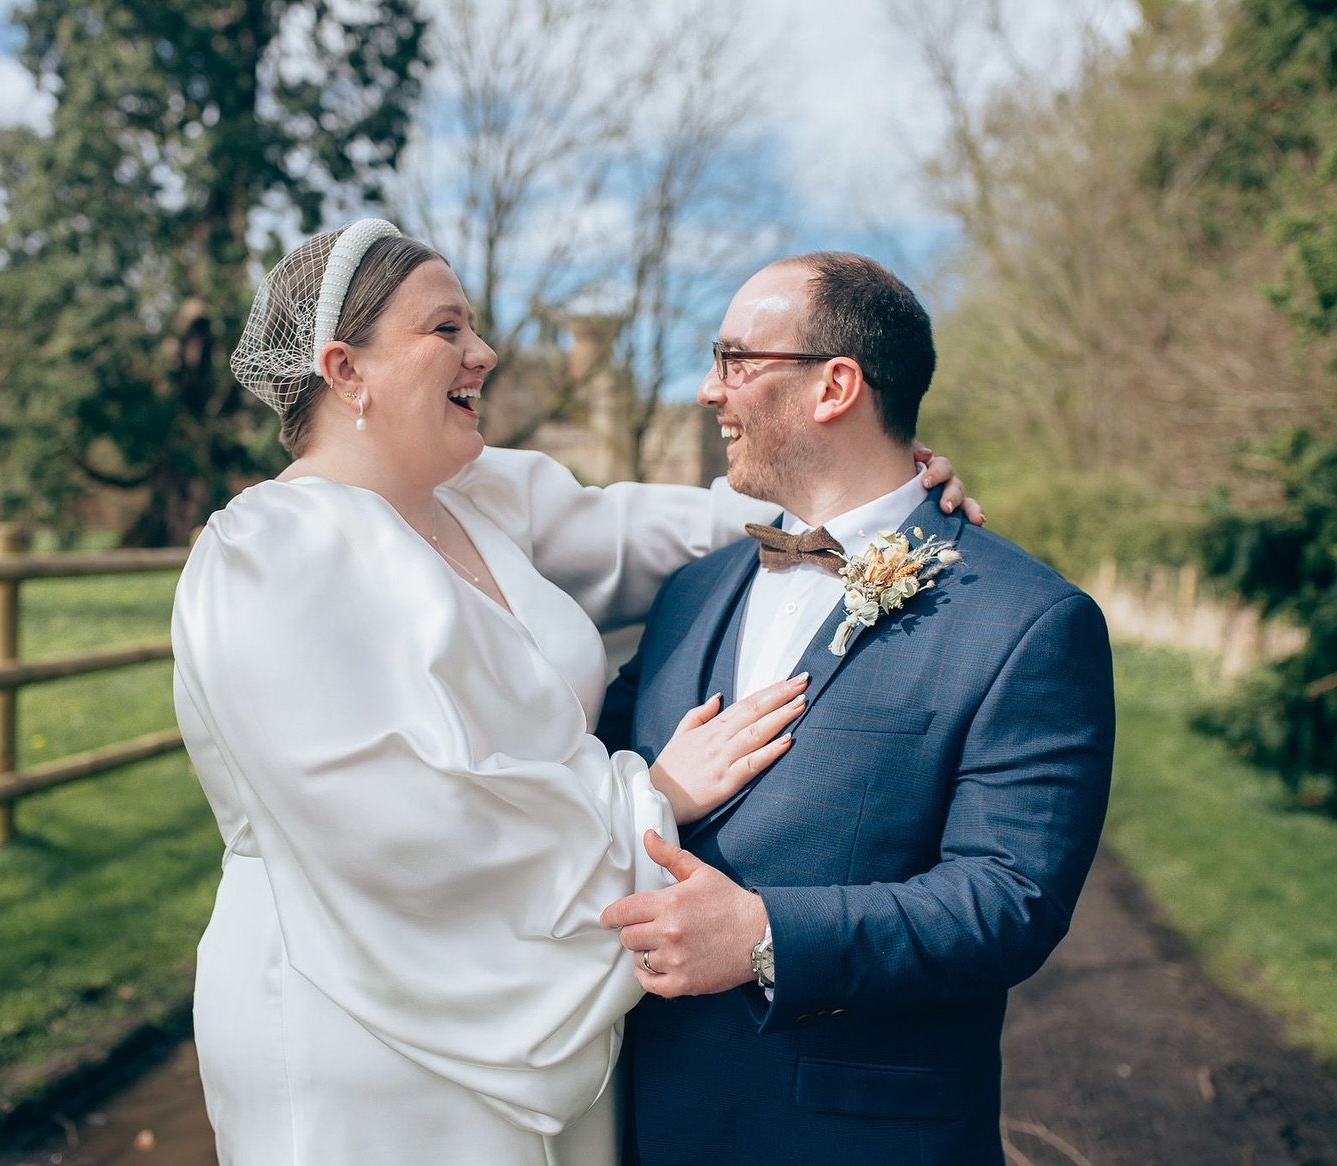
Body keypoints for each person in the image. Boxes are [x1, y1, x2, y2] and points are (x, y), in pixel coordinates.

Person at [170, 220, 977, 1166]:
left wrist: (884, 488)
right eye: (446, 331)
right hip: (356, 1005)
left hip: (555, 975)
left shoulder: (479, 498)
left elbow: (666, 528)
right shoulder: (267, 553)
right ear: (345, 368)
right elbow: (389, 818)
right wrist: (654, 799)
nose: (487, 351)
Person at [599, 252, 1115, 1166]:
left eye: (734, 360)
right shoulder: (688, 593)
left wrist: (766, 937)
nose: (708, 391)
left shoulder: (1029, 621)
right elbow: (591, 779)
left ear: (836, 384)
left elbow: (1009, 898)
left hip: (851, 1135)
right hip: (642, 1119)